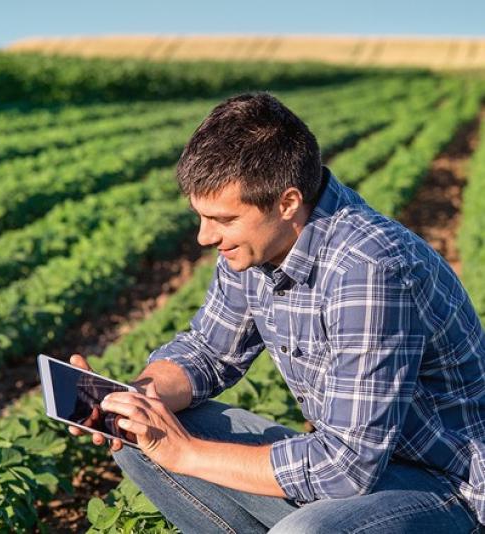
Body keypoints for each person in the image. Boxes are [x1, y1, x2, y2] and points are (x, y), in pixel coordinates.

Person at [69, 92, 485, 533]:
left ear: (287, 202)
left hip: (446, 486)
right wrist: (127, 398)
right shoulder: (257, 245)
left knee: (302, 532)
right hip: (359, 465)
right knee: (141, 434)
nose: (204, 237)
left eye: (224, 219)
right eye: (201, 216)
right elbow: (210, 351)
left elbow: (348, 467)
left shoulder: (368, 270)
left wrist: (185, 452)